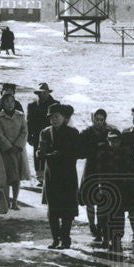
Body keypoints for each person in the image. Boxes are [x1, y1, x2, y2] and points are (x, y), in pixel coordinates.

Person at [38, 104, 80, 249]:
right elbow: (41, 150)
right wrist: (40, 153)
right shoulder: (44, 132)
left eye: (57, 116)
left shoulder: (73, 133)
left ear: (64, 117)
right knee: (53, 209)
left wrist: (61, 154)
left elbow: (77, 153)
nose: (54, 120)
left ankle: (65, 239)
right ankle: (55, 239)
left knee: (67, 209)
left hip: (67, 175)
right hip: (51, 175)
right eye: (51, 117)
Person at [95, 129, 131, 251]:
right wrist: (100, 186)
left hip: (120, 188)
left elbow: (128, 171)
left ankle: (117, 239)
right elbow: (99, 171)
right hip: (106, 187)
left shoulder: (125, 152)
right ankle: (106, 238)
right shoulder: (102, 153)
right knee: (105, 215)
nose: (114, 143)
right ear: (107, 141)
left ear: (120, 141)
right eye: (111, 140)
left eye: (116, 140)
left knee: (119, 215)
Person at [0, 92, 31, 209]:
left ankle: (14, 201)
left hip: (18, 150)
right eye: (7, 102)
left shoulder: (20, 115)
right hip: (5, 151)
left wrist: (18, 145)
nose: (10, 104)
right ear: (2, 104)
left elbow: (25, 131)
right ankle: (5, 201)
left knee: (17, 176)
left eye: (12, 101)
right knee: (5, 175)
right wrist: (8, 146)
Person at [79, 108, 111, 241]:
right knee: (89, 199)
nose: (99, 122)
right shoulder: (86, 133)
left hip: (104, 168)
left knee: (102, 199)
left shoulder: (109, 132)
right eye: (97, 119)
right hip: (91, 168)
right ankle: (92, 225)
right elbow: (81, 152)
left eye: (101, 120)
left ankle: (101, 225)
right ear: (93, 119)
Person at [27, 83, 58, 176]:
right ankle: (39, 176)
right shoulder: (32, 105)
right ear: (38, 94)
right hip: (37, 134)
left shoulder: (55, 104)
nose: (43, 94)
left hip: (52, 133)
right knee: (38, 154)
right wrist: (29, 136)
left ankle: (52, 174)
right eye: (41, 93)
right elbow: (29, 121)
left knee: (52, 154)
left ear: (48, 92)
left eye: (45, 92)